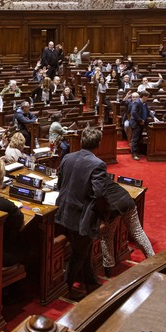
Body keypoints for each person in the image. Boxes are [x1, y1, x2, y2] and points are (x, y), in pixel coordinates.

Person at [54, 126, 107, 300]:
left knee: (83, 248)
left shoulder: (67, 157)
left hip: (61, 212)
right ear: (98, 145)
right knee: (79, 252)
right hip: (80, 217)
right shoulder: (98, 164)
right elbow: (99, 194)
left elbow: (60, 184)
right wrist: (104, 215)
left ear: (82, 141)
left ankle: (90, 281)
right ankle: (65, 288)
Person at [99, 176, 154, 277]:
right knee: (138, 232)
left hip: (112, 207)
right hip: (126, 199)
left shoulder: (84, 178)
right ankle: (155, 262)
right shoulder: (98, 170)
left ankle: (108, 269)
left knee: (107, 236)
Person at [129, 91, 149, 161]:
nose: (147, 98)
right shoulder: (136, 103)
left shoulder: (144, 103)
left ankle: (137, 152)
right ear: (143, 96)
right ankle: (134, 154)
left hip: (141, 124)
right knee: (135, 139)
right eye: (147, 97)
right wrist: (140, 120)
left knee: (138, 138)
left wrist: (154, 117)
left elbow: (148, 112)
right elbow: (133, 113)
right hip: (136, 123)